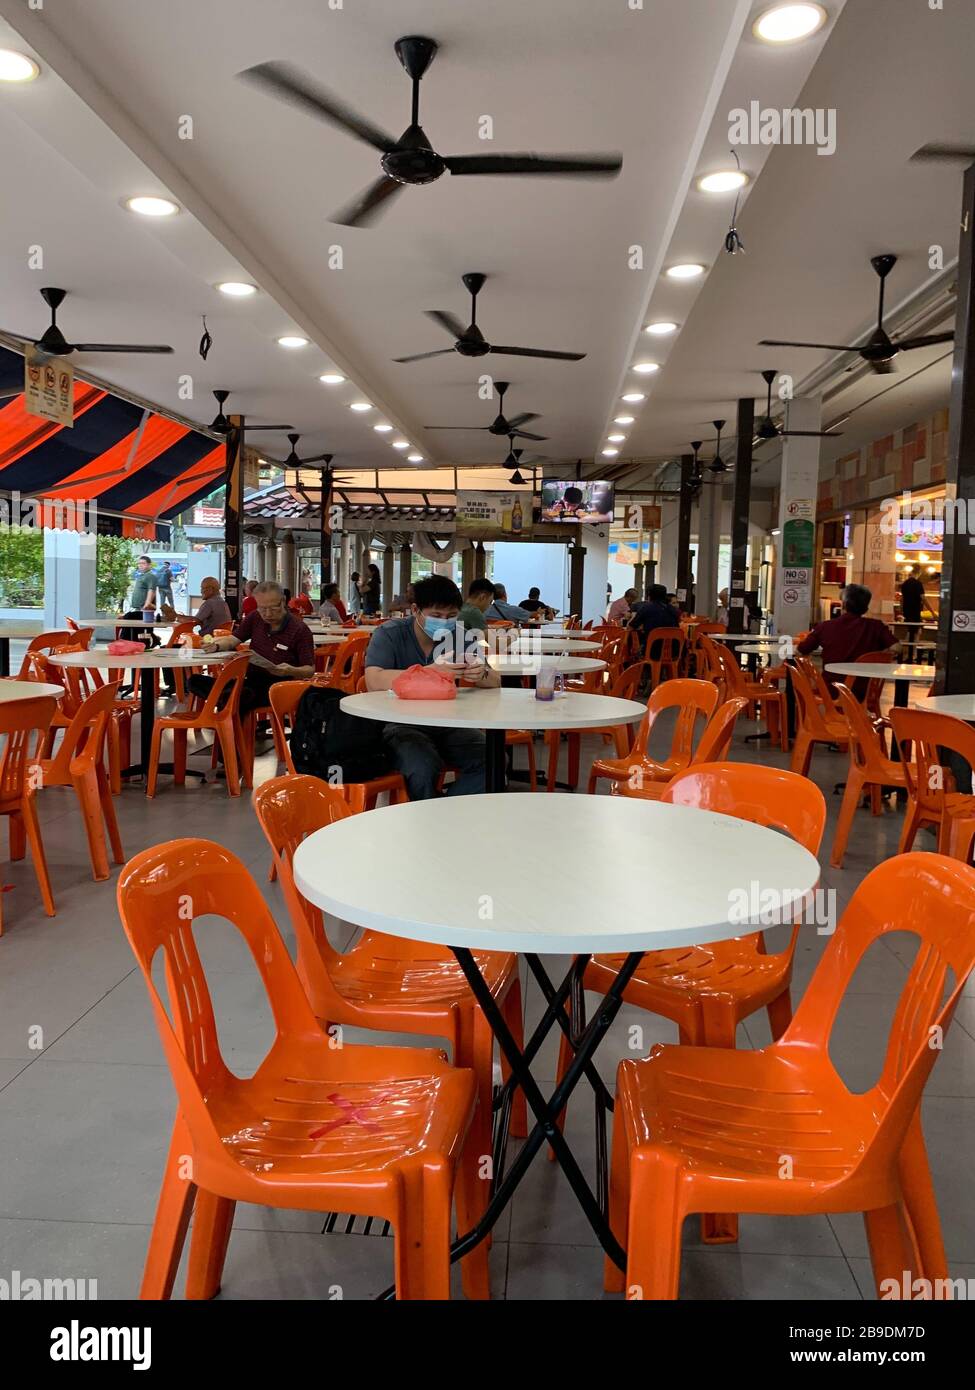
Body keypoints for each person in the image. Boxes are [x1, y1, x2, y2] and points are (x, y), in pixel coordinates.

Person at [364, 574, 499, 800]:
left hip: (450, 724)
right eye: (436, 615)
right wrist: (431, 671)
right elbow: (373, 680)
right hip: (400, 724)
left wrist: (480, 673)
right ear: (416, 610)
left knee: (492, 760)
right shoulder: (390, 634)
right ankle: (427, 820)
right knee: (422, 767)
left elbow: (495, 680)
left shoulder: (460, 636)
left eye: (451, 616)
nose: (444, 622)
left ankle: (446, 814)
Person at [191, 580, 315, 715]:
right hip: (249, 681)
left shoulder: (299, 629)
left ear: (283, 601)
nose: (267, 614)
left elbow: (309, 670)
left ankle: (227, 711)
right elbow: (233, 640)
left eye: (273, 608)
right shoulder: (255, 617)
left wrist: (289, 670)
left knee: (240, 695)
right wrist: (216, 645)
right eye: (262, 608)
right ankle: (227, 701)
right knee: (194, 681)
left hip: (278, 686)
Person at [798, 583, 897, 690]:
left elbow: (802, 649)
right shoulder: (876, 627)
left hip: (831, 690)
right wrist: (879, 656)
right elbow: (897, 648)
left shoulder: (825, 626)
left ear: (844, 604)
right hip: (864, 691)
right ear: (866, 608)